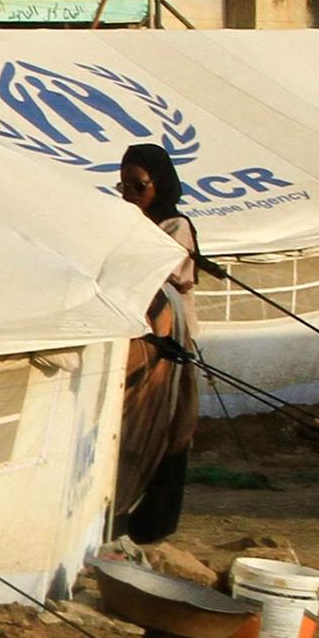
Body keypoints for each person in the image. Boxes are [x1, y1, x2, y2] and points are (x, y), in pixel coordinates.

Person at [112, 142, 203, 544]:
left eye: (139, 186)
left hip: (168, 339)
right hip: (137, 335)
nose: (130, 195)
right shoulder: (129, 222)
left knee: (163, 424)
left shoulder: (174, 227)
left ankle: (149, 517)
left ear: (158, 184)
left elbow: (161, 275)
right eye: (124, 187)